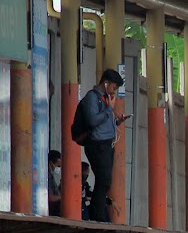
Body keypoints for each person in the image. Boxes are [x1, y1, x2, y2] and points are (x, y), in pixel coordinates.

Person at [75, 69, 128, 222]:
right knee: (103, 179)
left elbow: (102, 121)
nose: (114, 91)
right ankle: (97, 216)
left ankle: (98, 214)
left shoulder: (104, 99)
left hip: (105, 144)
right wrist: (109, 109)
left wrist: (116, 121)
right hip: (97, 144)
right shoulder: (92, 98)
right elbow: (92, 120)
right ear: (106, 83)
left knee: (105, 180)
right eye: (114, 87)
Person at [48, 149, 63, 214]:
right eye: (58, 166)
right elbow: (50, 197)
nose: (58, 168)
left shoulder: (51, 176)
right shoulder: (45, 177)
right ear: (51, 163)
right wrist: (64, 197)